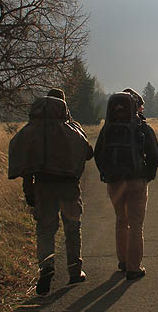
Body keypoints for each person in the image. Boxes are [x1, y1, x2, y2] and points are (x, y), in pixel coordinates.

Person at [7, 88, 94, 296]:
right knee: (72, 228)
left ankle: (46, 267)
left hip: (43, 186)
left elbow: (27, 168)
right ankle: (75, 270)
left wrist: (29, 192)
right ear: (62, 106)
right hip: (68, 186)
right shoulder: (71, 129)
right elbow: (88, 152)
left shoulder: (31, 131)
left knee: (45, 230)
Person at [94, 87, 158, 281]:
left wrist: (106, 173)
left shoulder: (107, 129)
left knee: (120, 221)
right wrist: (148, 175)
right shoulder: (142, 128)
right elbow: (154, 154)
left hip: (114, 181)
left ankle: (123, 262)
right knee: (136, 225)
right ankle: (133, 268)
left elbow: (98, 154)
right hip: (137, 181)